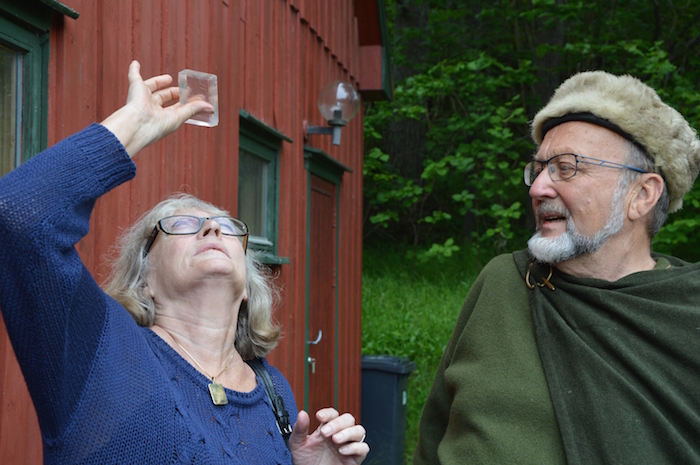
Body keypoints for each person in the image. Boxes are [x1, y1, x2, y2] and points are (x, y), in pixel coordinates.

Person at [0, 60, 368, 465]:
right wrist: (133, 126)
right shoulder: (100, 347)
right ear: (144, 281)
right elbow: (20, 217)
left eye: (227, 226)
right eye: (182, 224)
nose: (211, 228)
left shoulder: (273, 388)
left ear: (245, 287)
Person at [414, 71, 700, 464]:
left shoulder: (689, 310)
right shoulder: (504, 282)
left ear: (642, 195)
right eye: (539, 168)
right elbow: (434, 435)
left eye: (566, 168)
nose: (537, 188)